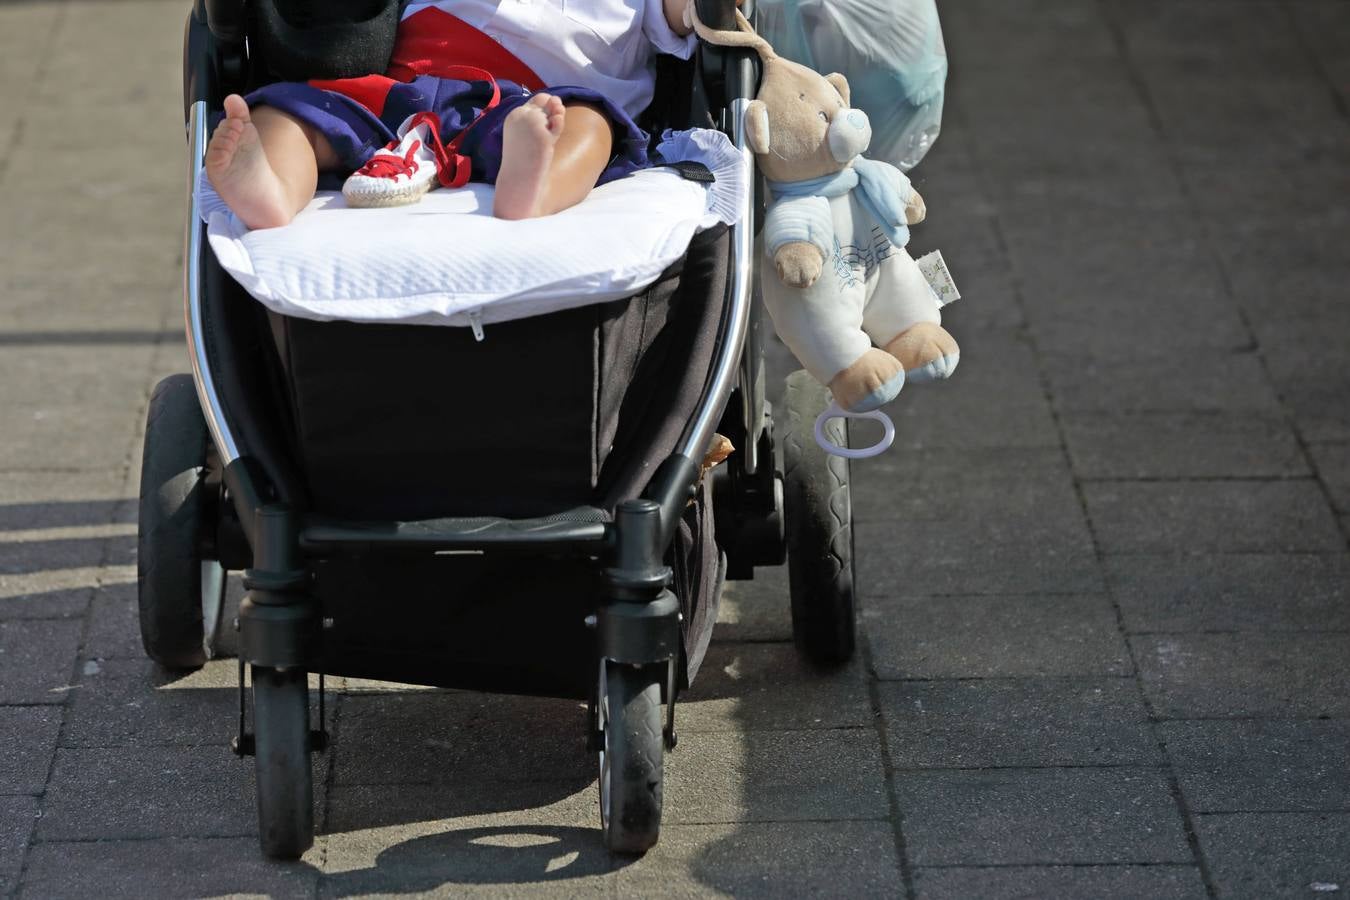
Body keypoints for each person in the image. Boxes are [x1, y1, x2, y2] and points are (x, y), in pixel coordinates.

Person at [206, 0, 697, 227]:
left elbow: (686, 11)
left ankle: (534, 187)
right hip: (405, 93)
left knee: (591, 125)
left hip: (535, 108)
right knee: (291, 110)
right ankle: (269, 185)